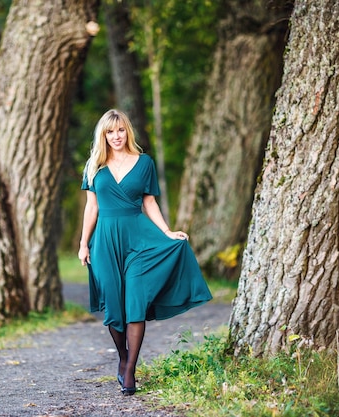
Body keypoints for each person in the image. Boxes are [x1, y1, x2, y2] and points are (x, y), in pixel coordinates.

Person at [77, 109, 213, 396]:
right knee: (113, 308)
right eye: (110, 132)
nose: (116, 136)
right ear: (103, 135)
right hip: (105, 241)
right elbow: (92, 207)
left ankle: (130, 370)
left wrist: (166, 232)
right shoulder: (94, 166)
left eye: (121, 130)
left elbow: (149, 202)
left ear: (128, 132)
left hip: (139, 239)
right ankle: (123, 356)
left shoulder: (144, 163)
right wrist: (83, 243)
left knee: (135, 302)